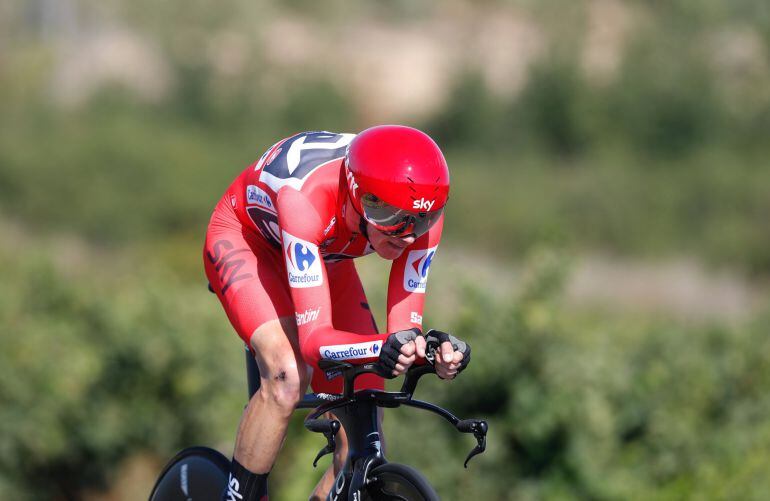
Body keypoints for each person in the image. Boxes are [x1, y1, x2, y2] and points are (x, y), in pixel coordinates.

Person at [203, 125, 471, 501]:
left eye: (420, 221)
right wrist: (384, 348)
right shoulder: (306, 198)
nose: (407, 235)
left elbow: (404, 330)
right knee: (288, 377)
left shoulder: (419, 213)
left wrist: (432, 351)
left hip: (325, 255)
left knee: (366, 402)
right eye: (389, 216)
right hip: (249, 242)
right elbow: (315, 344)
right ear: (358, 195)